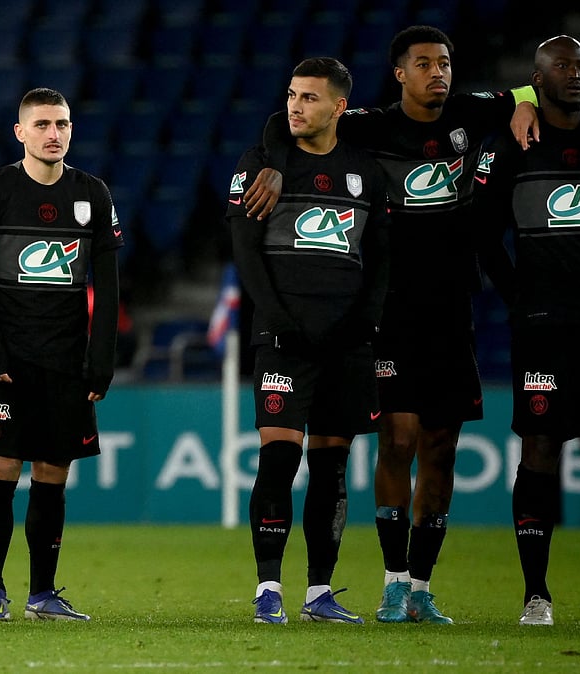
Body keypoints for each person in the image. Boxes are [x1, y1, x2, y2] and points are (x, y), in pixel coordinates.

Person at [239, 25, 580, 625]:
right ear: (400, 73)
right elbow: (288, 120)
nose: (437, 72)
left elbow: (552, 89)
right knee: (396, 440)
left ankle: (422, 584)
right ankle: (393, 581)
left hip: (453, 307)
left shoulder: (474, 115)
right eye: (423, 63)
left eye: (444, 62)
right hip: (392, 310)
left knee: (441, 447)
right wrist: (272, 159)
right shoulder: (370, 126)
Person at [472, 35, 580, 626]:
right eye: (563, 66)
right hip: (544, 330)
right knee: (541, 449)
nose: (577, 75)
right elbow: (481, 233)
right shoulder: (512, 147)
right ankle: (536, 596)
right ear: (537, 77)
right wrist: (517, 296)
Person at [227, 57, 389, 625]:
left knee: (332, 468)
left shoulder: (365, 171)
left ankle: (319, 593)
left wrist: (363, 323)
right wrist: (276, 317)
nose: (296, 106)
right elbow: (245, 250)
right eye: (292, 95)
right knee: (279, 457)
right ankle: (268, 587)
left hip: (344, 341)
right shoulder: (259, 164)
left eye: (310, 98)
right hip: (283, 336)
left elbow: (381, 260)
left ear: (340, 106)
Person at [0, 87, 122, 621]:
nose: (55, 134)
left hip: (67, 360)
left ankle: (43, 594)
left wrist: (101, 358)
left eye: (63, 124)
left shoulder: (92, 193)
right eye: (44, 125)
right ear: (21, 132)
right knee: (1, 466)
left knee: (54, 473)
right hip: (9, 360)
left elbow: (110, 284)